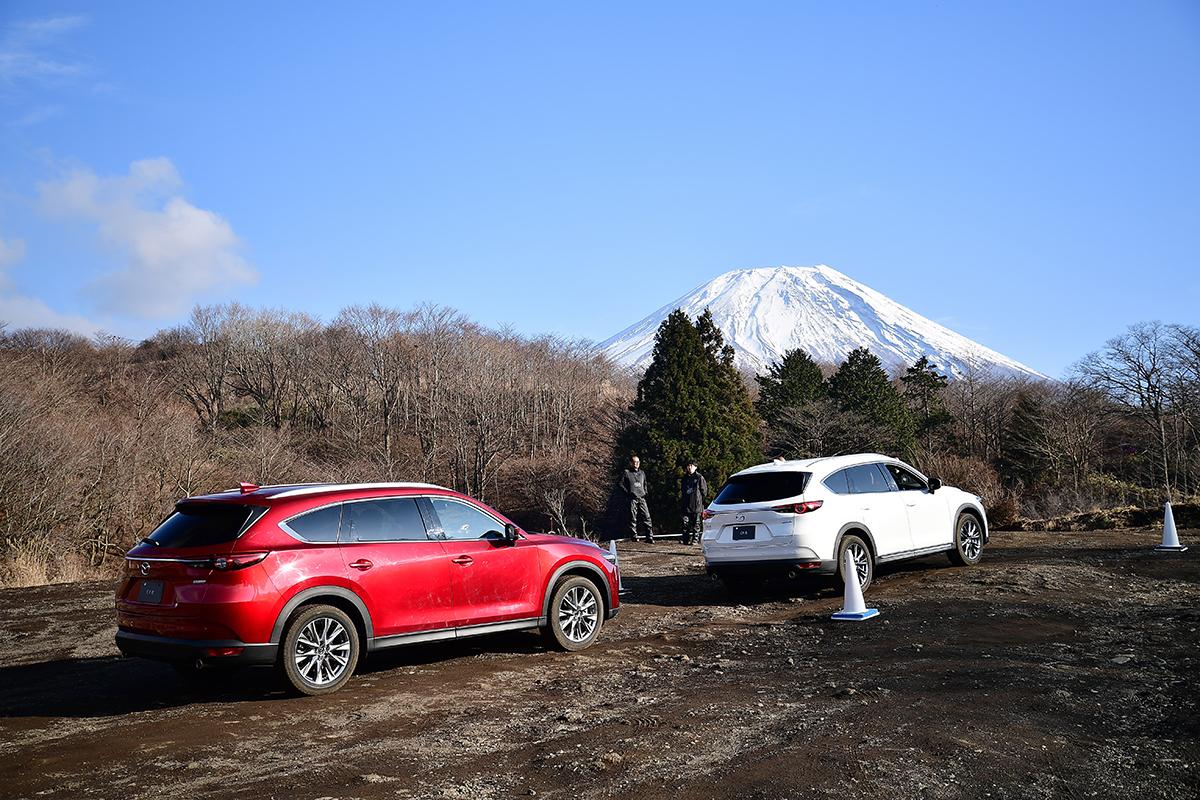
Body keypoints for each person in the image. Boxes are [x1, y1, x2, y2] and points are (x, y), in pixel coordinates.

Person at [619, 455, 654, 543]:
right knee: (632, 518)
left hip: (642, 497)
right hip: (632, 498)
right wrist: (628, 492)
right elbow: (620, 484)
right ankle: (634, 536)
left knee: (647, 517)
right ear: (631, 463)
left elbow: (645, 483)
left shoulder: (642, 473)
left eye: (638, 462)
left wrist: (645, 492)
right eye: (634, 462)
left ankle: (649, 536)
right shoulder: (626, 472)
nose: (636, 464)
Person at [680, 461, 708, 546]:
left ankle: (695, 540)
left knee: (696, 524)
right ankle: (685, 540)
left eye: (691, 466)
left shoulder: (699, 477)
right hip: (686, 504)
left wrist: (699, 501)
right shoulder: (685, 478)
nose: (689, 467)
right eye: (688, 466)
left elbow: (704, 491)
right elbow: (683, 490)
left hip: (696, 505)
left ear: (695, 467)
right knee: (685, 523)